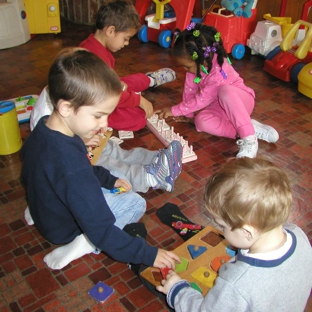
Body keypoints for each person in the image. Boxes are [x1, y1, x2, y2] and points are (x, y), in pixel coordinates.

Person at [21, 47, 180, 271]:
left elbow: (43, 172)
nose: (105, 124)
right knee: (136, 202)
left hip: (46, 213)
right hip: (66, 229)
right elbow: (100, 228)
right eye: (98, 115)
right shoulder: (72, 166)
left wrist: (108, 180)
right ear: (66, 107)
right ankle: (83, 245)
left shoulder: (44, 125)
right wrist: (147, 254)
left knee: (118, 177)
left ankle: (39, 214)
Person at [156, 157, 312, 311]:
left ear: (247, 232)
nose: (221, 230)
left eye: (223, 226)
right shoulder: (298, 234)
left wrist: (177, 290)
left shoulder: (236, 283)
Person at [156, 23, 279, 158]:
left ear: (202, 58)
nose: (185, 70)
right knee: (201, 121)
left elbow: (201, 100)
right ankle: (249, 128)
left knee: (225, 91)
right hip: (218, 107)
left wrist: (173, 110)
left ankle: (249, 138)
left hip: (241, 102)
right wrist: (188, 115)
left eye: (187, 66)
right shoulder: (195, 67)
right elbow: (189, 91)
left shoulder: (219, 70)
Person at [30, 86, 183, 193]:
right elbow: (58, 152)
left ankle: (157, 160)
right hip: (76, 158)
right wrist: (82, 142)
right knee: (108, 162)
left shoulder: (66, 95)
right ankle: (149, 178)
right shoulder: (47, 115)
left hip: (79, 142)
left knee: (114, 150)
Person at [79, 0, 176, 131]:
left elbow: (109, 85)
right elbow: (107, 95)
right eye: (126, 38)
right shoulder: (94, 58)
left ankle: (150, 80)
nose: (127, 43)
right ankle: (144, 85)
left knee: (133, 81)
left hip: (105, 90)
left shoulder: (93, 44)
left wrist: (122, 90)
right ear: (110, 31)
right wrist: (138, 100)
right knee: (139, 117)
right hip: (95, 103)